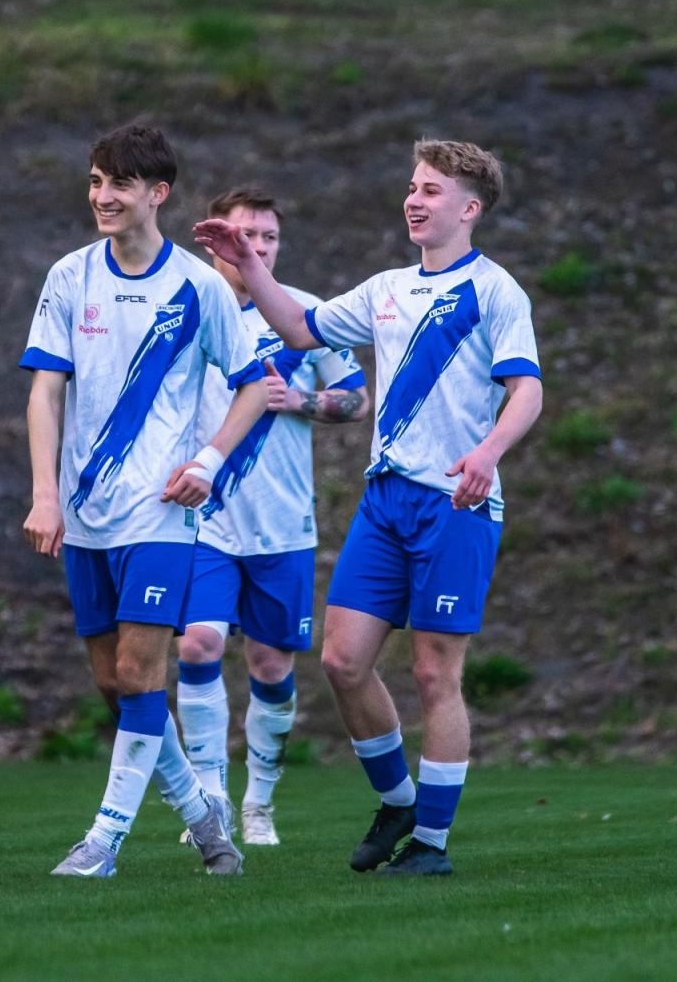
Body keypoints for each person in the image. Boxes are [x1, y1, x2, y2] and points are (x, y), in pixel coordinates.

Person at [193, 139, 542, 876]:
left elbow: (528, 390)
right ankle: (398, 801)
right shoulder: (386, 287)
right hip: (385, 501)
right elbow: (300, 330)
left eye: (431, 191)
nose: (414, 200)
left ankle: (432, 845)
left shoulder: (496, 292)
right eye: (412, 187)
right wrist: (249, 263)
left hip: (455, 503)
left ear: (470, 209)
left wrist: (488, 453)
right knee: (342, 661)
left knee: (434, 675)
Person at [19, 124, 267, 878]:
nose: (103, 196)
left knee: (137, 673)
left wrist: (209, 461)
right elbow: (45, 391)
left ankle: (103, 842)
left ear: (157, 193)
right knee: (115, 684)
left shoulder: (197, 286)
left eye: (119, 184)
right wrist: (45, 495)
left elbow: (255, 385)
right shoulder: (70, 276)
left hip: (160, 513)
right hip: (82, 513)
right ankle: (203, 816)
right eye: (96, 181)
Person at [175, 186, 370, 848]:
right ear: (215, 239)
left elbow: (356, 398)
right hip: (202, 517)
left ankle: (259, 802)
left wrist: (302, 401)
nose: (257, 247)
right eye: (245, 235)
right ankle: (210, 802)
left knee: (269, 664)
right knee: (197, 643)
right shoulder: (186, 308)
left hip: (281, 524)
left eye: (268, 237)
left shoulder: (305, 315)